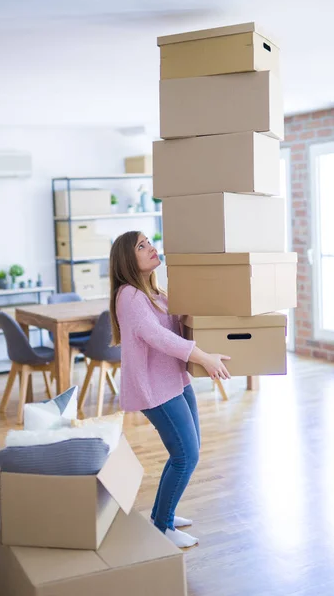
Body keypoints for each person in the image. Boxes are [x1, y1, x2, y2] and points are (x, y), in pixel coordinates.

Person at [109, 231, 231, 548]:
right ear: (127, 259)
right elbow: (159, 338)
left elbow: (175, 325)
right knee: (185, 455)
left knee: (188, 451)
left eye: (149, 242)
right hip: (154, 391)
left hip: (175, 382)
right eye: (141, 245)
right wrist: (204, 357)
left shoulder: (155, 294)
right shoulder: (130, 297)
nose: (151, 247)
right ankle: (162, 526)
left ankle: (163, 513)